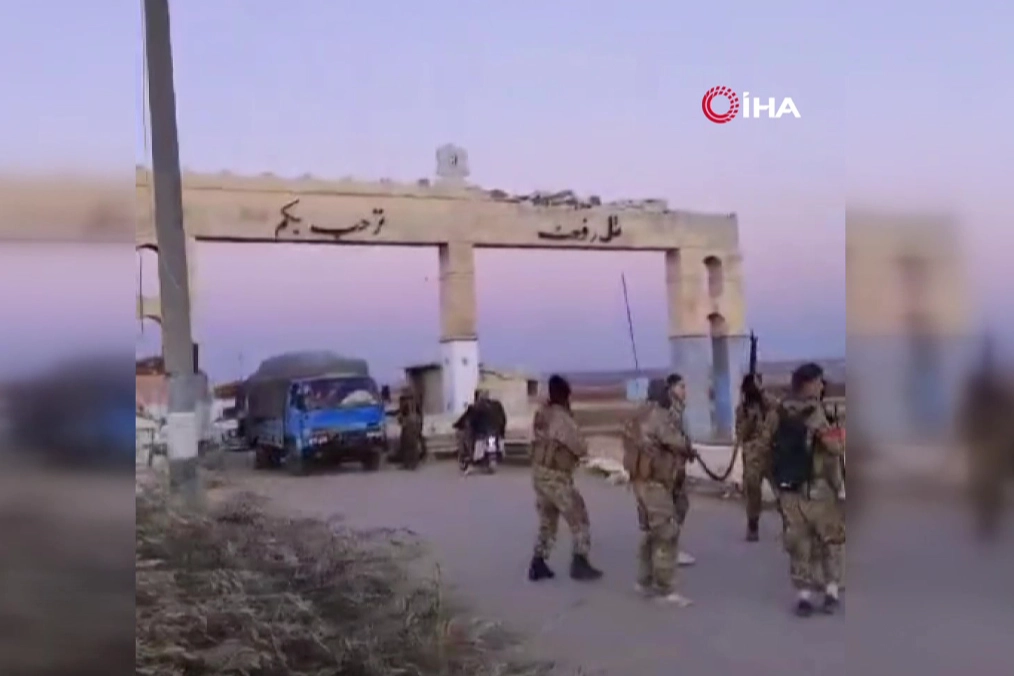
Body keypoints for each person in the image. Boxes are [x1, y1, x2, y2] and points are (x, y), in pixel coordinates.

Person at [767, 363, 845, 616]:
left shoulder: (779, 411)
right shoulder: (816, 412)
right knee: (829, 541)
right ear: (809, 384)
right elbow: (834, 449)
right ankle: (831, 591)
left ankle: (804, 595)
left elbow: (766, 448)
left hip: (789, 490)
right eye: (819, 382)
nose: (822, 386)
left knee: (799, 543)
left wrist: (777, 485)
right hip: (818, 488)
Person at [624, 375, 698, 605]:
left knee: (652, 532)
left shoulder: (639, 415)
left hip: (641, 481)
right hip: (655, 482)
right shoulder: (659, 416)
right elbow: (676, 441)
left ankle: (643, 581)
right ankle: (666, 589)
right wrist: (688, 447)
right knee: (666, 532)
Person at [527, 374, 603, 582]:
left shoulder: (542, 414)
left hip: (539, 473)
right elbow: (580, 447)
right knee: (579, 516)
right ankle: (580, 562)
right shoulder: (562, 419)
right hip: (556, 476)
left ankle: (538, 562)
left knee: (548, 521)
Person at [736, 373, 782, 541]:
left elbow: (780, 408)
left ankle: (790, 524)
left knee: (783, 491)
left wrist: (762, 393)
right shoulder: (742, 410)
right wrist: (750, 420)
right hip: (753, 455)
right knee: (753, 491)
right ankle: (753, 524)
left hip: (772, 452)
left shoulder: (768, 405)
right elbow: (740, 434)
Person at [453, 389, 506, 474]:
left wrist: (458, 425)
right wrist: (501, 431)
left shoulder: (475, 406)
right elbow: (503, 418)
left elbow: (468, 418)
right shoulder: (496, 405)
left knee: (468, 437)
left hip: (483, 433)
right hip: (496, 432)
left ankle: (470, 456)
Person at [396, 392, 424, 470]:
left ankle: (408, 464)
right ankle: (414, 463)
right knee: (413, 445)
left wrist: (400, 420)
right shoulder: (416, 404)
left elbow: (401, 417)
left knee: (407, 446)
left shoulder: (405, 405)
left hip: (409, 426)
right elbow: (420, 415)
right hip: (415, 425)